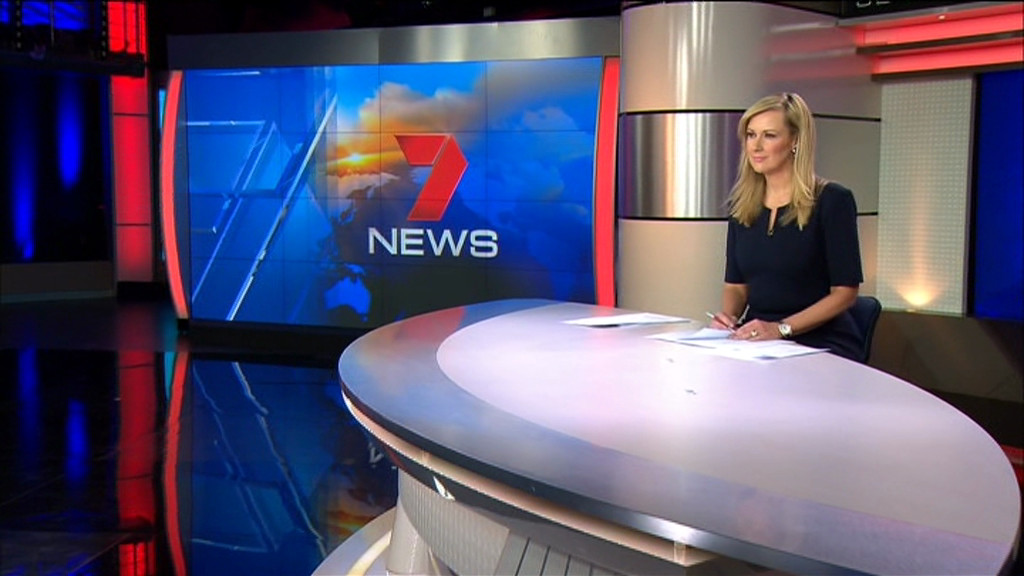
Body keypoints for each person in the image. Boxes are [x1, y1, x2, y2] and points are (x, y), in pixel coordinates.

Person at [708, 92, 864, 361]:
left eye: (769, 136)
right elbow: (736, 286)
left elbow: (845, 293)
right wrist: (729, 318)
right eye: (751, 135)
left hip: (820, 340)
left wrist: (781, 329)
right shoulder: (742, 206)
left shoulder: (832, 200)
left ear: (795, 141)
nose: (756, 146)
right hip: (758, 339)